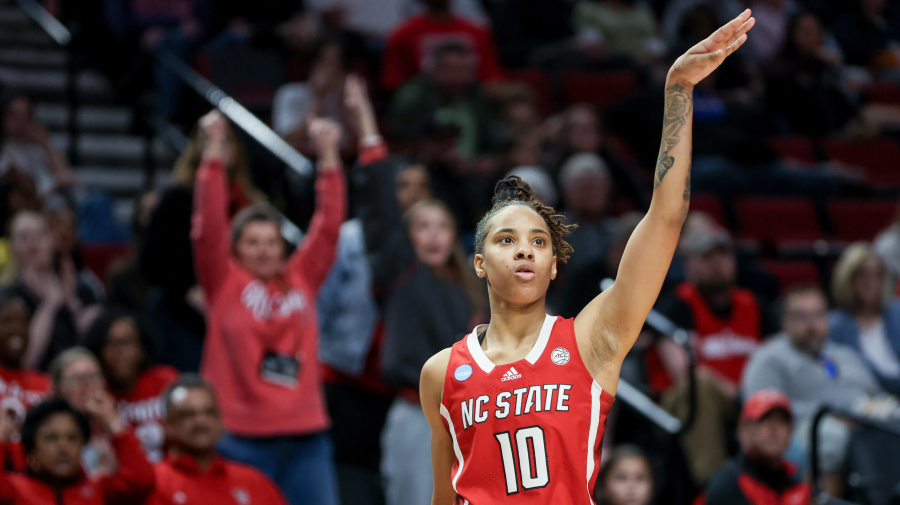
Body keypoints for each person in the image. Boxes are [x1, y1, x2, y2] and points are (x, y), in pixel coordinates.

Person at [419, 10, 755, 504]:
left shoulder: (590, 339)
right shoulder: (442, 372)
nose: (524, 251)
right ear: (479, 262)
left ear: (555, 266)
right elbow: (442, 498)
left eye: (538, 241)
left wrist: (677, 90)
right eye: (505, 240)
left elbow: (666, 216)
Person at [192, 110, 344, 505]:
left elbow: (328, 226)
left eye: (271, 242)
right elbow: (208, 225)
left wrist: (328, 157)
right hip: (239, 438)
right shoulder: (223, 281)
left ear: (283, 247)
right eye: (252, 242)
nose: (263, 250)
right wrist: (213, 155)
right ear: (235, 249)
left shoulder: (302, 277)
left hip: (306, 438)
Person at [347, 77, 486, 505]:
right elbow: (380, 209)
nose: (432, 236)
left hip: (470, 421)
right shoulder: (401, 270)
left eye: (441, 227)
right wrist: (366, 125)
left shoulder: (472, 290)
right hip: (417, 418)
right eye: (421, 227)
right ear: (406, 236)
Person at [317, 77, 433, 505]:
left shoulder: (436, 252)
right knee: (350, 480)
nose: (412, 197)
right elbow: (321, 302)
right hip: (346, 376)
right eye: (404, 188)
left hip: (401, 392)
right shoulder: (352, 238)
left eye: (422, 190)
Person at [741, 285, 890, 496]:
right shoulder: (769, 358)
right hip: (801, 429)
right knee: (830, 439)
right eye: (801, 316)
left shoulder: (844, 354)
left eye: (818, 315)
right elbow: (761, 410)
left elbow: (876, 395)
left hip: (863, 424)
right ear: (785, 322)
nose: (811, 324)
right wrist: (836, 414)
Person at [142, 115, 263, 372]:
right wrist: (189, 291)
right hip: (184, 309)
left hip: (244, 308)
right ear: (198, 148)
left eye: (226, 141)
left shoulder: (252, 202)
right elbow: (152, 258)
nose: (219, 147)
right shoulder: (179, 198)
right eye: (210, 140)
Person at [147, 374, 288, 505]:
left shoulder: (254, 483)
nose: (201, 421)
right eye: (188, 415)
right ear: (167, 425)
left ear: (220, 420)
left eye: (209, 413)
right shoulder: (152, 483)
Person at [0, 396, 155, 504]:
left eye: (72, 438)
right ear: (32, 448)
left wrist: (116, 426)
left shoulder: (99, 490)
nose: (63, 446)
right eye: (52, 438)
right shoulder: (14, 490)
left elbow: (141, 481)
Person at [3, 212, 100, 371]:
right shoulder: (7, 296)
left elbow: (98, 343)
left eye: (40, 235)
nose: (33, 244)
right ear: (12, 248)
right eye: (24, 237)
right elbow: (26, 361)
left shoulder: (82, 287)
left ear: (52, 241)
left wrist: (71, 303)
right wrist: (49, 305)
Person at [84, 307, 178, 463]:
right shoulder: (94, 393)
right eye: (110, 344)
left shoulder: (166, 380)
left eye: (127, 342)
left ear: (142, 348)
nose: (120, 351)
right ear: (98, 351)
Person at [703, 389, 811, 505]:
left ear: (790, 432)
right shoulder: (727, 483)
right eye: (764, 419)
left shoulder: (799, 481)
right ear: (743, 430)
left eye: (781, 420)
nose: (774, 428)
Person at [381, 0, 503, 90]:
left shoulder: (477, 32)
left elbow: (490, 77)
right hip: (423, 103)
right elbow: (394, 82)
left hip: (472, 100)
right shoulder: (403, 34)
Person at [48, 348, 118, 478]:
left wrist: (115, 424)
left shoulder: (116, 432)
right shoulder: (47, 433)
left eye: (92, 377)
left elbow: (141, 478)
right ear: (57, 388)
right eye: (76, 379)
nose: (86, 385)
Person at [0, 93, 75, 198]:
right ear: (3, 118)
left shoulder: (40, 149)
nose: (20, 123)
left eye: (25, 117)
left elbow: (69, 182)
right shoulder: (4, 152)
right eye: (14, 117)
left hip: (52, 208)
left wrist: (46, 146)